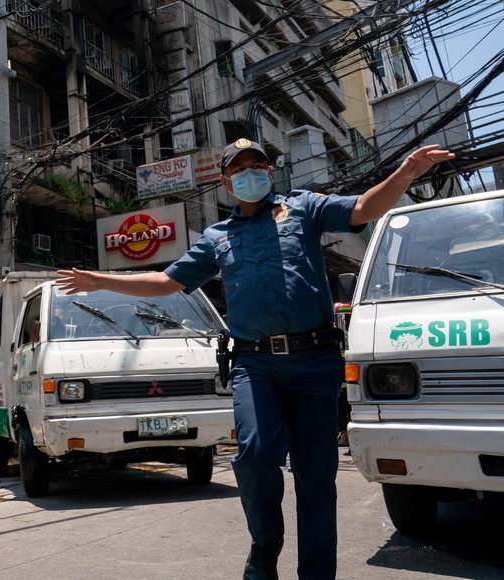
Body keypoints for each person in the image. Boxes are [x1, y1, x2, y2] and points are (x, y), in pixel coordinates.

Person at [55, 139, 454, 580]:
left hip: (315, 361)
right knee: (255, 457)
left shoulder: (303, 208)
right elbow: (166, 282)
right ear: (226, 182)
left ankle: (316, 573)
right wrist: (100, 279)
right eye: (240, 168)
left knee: (316, 476)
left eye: (258, 165)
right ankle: (265, 545)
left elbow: (361, 208)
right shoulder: (217, 237)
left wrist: (405, 174)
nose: (251, 173)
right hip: (255, 365)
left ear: (270, 171)